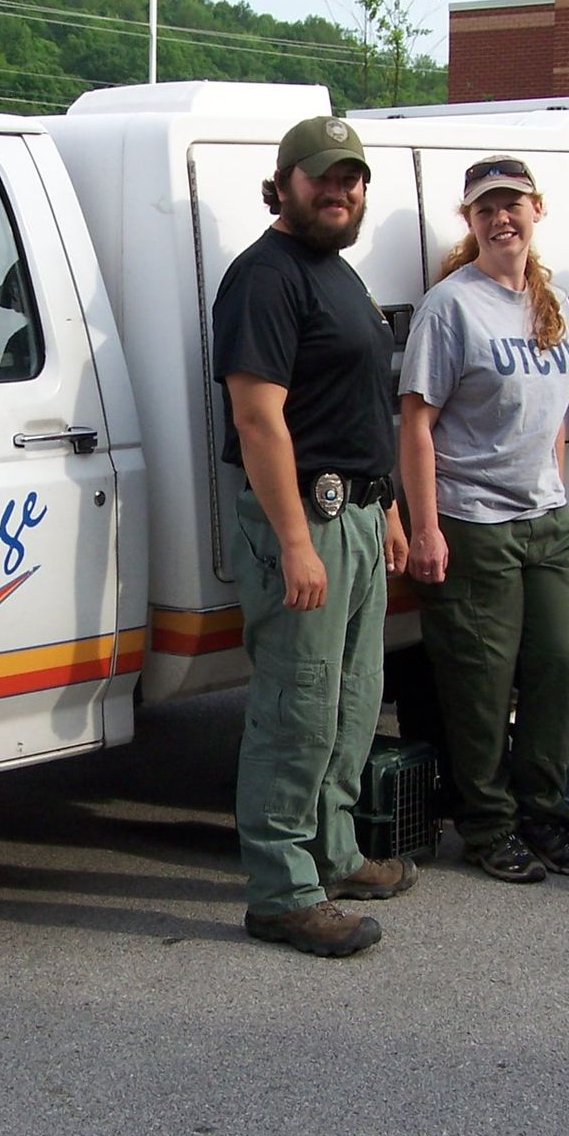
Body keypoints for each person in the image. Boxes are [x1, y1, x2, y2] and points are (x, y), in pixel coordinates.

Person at [211, 116, 412, 957]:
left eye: (353, 179)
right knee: (298, 706)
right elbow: (259, 420)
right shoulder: (264, 277)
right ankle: (282, 892)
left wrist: (390, 507)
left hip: (358, 516)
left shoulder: (339, 276)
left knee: (352, 700)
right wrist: (295, 541)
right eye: (324, 177)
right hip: (306, 519)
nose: (340, 191)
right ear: (285, 183)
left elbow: (363, 405)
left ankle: (333, 852)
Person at [399, 155, 569, 884]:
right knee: (481, 683)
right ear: (471, 221)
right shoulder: (451, 306)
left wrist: (555, 492)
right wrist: (426, 529)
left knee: (559, 661)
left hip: (543, 521)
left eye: (511, 204)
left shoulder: (554, 305)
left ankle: (543, 809)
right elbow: (416, 424)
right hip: (472, 522)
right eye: (486, 208)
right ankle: (488, 825)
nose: (500, 218)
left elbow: (556, 419)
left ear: (536, 210)